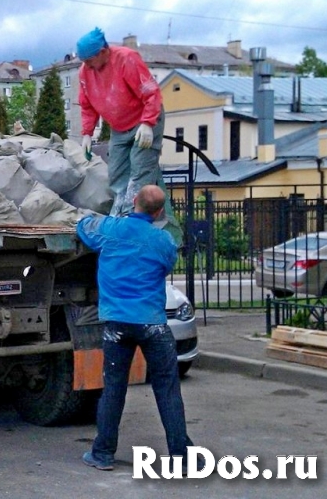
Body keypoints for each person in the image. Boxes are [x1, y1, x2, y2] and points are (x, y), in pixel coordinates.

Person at [77, 184, 194, 472]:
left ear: (133, 202)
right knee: (167, 390)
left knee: (113, 389)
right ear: (158, 212)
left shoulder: (110, 229)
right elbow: (166, 267)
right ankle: (182, 457)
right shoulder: (162, 240)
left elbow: (83, 227)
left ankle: (102, 453)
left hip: (117, 324)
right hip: (152, 323)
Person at [76, 27, 181, 244]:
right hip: (119, 127)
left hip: (144, 120)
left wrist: (147, 123)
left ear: (103, 51)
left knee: (139, 173)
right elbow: (87, 104)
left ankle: (128, 223)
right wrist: (87, 133)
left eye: (89, 60)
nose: (87, 65)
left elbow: (151, 92)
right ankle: (119, 215)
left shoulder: (126, 59)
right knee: (117, 174)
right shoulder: (85, 72)